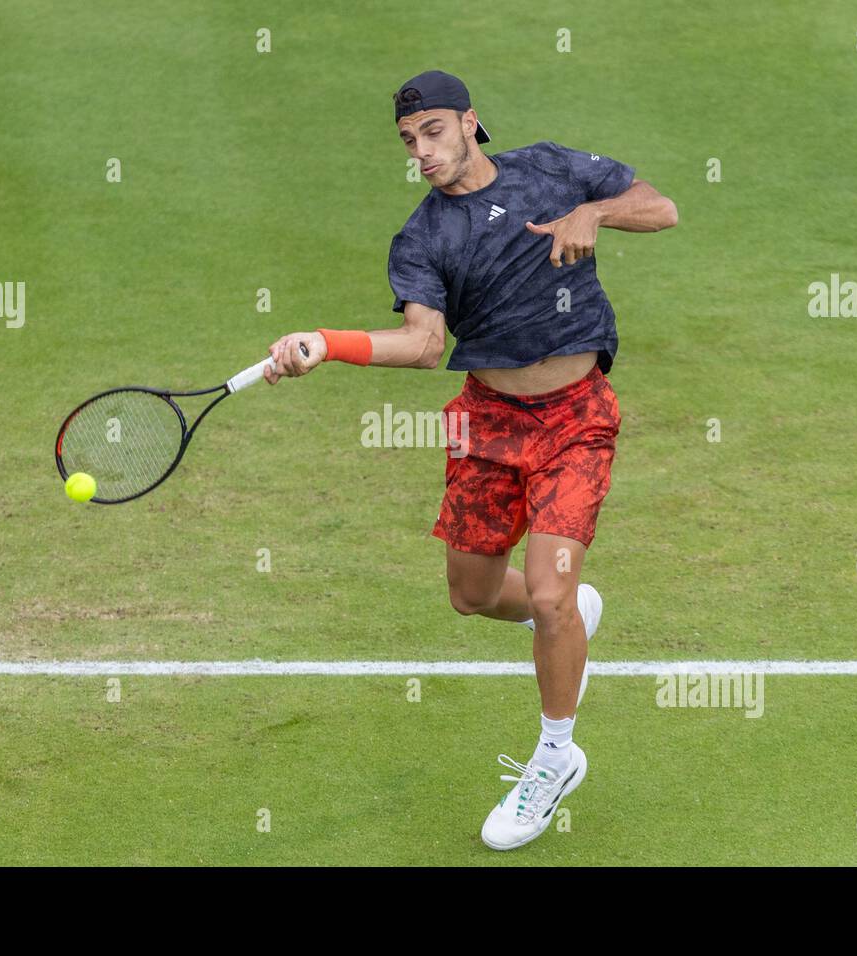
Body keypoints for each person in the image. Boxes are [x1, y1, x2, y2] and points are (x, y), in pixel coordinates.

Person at [263, 70, 677, 850]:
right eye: (408, 141)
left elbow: (662, 207)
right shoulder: (423, 237)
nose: (421, 152)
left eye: (433, 133)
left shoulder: (552, 171)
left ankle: (554, 759)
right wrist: (327, 344)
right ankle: (566, 621)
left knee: (551, 595)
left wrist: (593, 211)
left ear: (470, 124)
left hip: (575, 419)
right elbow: (424, 346)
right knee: (474, 594)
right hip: (486, 424)